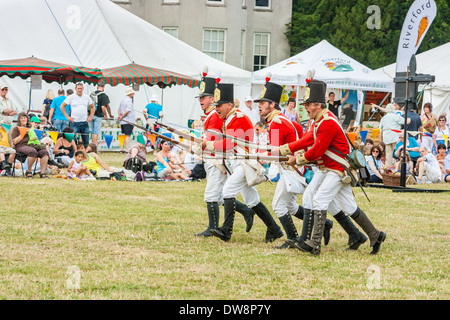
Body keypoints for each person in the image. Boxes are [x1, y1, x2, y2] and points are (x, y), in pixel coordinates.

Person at [278, 77, 386, 255]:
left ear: (318, 105)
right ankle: (375, 235)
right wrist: (286, 148)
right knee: (349, 207)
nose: (305, 107)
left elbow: (317, 151)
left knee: (319, 199)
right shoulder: (321, 120)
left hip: (336, 169)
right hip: (332, 169)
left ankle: (314, 244)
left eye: (309, 104)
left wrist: (296, 160)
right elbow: (307, 140)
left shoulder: (326, 122)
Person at [201, 81, 283, 243]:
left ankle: (226, 230)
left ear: (229, 105)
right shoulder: (228, 118)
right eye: (216, 105)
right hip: (238, 162)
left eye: (220, 105)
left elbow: (230, 144)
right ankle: (274, 228)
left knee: (227, 191)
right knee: (252, 200)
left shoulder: (237, 118)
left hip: (244, 162)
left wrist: (208, 145)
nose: (216, 109)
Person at [257, 81, 320, 249]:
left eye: (263, 103)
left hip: (290, 168)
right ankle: (325, 224)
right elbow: (298, 129)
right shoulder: (280, 119)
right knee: (290, 206)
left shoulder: (276, 122)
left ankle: (292, 238)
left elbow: (276, 153)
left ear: (272, 105)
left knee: (278, 206)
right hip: (293, 166)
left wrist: (260, 156)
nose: (259, 106)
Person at [193, 74, 254, 238]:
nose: (201, 100)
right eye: (200, 97)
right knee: (220, 196)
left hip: (216, 160)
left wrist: (200, 147)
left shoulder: (214, 116)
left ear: (212, 98)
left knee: (212, 194)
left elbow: (215, 140)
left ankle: (212, 229)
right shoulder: (211, 115)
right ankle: (246, 211)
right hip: (213, 157)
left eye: (204, 97)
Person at [11, 112, 49, 178]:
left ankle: (42, 173)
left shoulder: (31, 128)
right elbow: (14, 142)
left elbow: (35, 138)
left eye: (25, 118)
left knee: (44, 152)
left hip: (32, 145)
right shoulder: (16, 129)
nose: (23, 119)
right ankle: (29, 171)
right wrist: (24, 133)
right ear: (19, 120)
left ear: (27, 119)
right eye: (21, 118)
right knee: (32, 151)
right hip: (21, 146)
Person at [60, 82, 95, 148]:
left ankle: (85, 153)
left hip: (84, 122)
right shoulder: (71, 97)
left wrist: (90, 117)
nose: (79, 90)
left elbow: (93, 107)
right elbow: (62, 106)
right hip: (74, 122)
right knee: (72, 139)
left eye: (81, 88)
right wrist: (67, 117)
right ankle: (74, 152)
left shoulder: (87, 97)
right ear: (75, 88)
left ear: (83, 89)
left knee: (86, 140)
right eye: (78, 88)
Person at [118, 88, 136, 152]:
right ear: (130, 94)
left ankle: (121, 148)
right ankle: (127, 148)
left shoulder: (123, 100)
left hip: (123, 121)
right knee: (128, 135)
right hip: (128, 120)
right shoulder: (129, 101)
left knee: (123, 134)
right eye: (133, 93)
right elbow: (128, 110)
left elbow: (119, 109)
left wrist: (120, 116)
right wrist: (122, 116)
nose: (134, 94)